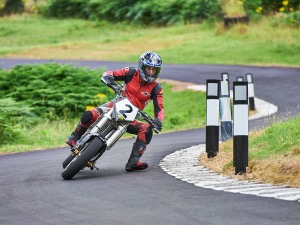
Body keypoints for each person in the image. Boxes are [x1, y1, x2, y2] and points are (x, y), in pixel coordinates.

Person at [65, 51, 164, 172]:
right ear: (142, 66)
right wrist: (108, 78)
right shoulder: (131, 72)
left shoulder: (157, 88)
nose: (151, 72)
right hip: (114, 106)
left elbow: (159, 108)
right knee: (89, 114)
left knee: (147, 129)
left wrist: (158, 120)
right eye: (148, 68)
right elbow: (110, 73)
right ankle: (74, 137)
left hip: (130, 118)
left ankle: (133, 162)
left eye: (154, 70)